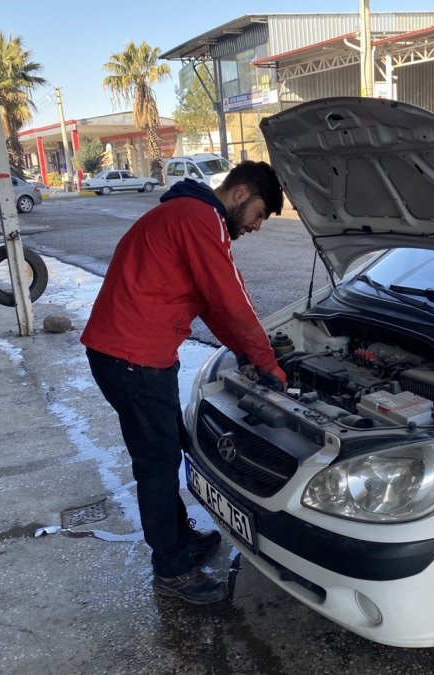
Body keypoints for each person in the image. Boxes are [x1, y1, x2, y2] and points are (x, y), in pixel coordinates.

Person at [81, 161, 286, 605]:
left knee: (165, 447)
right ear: (241, 193)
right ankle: (173, 569)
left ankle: (178, 539)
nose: (256, 226)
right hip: (134, 358)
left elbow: (214, 306)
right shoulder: (200, 218)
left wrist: (248, 353)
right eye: (260, 214)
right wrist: (264, 360)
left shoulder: (186, 214)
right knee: (155, 464)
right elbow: (229, 295)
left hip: (129, 353)